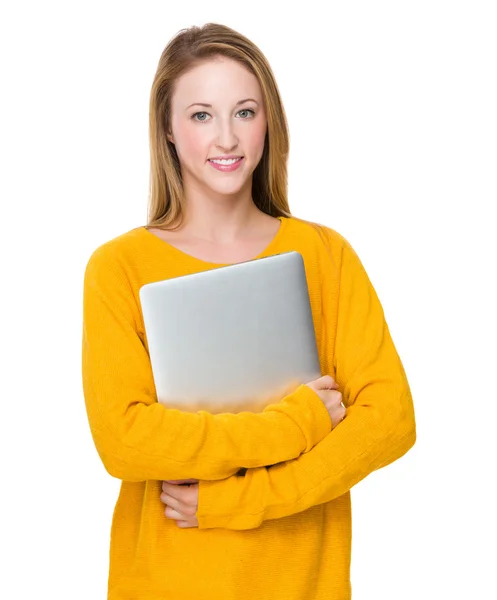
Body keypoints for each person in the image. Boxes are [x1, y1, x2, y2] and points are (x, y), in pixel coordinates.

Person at [81, 22, 416, 600]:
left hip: (301, 581)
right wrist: (300, 423)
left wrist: (240, 500)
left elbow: (390, 419)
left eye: (245, 111)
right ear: (167, 128)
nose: (227, 139)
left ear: (269, 123)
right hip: (165, 580)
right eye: (201, 115)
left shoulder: (324, 255)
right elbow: (125, 439)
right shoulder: (119, 267)